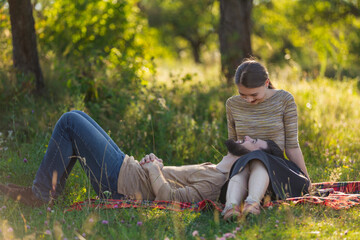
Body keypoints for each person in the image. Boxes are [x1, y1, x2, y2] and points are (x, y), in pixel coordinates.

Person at [0, 110, 281, 207]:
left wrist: (155, 169)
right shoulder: (213, 168)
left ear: (254, 155)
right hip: (127, 167)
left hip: (121, 181)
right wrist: (154, 166)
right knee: (78, 118)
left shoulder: (216, 183)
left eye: (252, 141)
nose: (245, 137)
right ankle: (43, 193)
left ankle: (41, 195)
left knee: (70, 121)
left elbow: (168, 199)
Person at [224, 59, 311, 219]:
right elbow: (234, 146)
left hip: (277, 172)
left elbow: (292, 147)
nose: (249, 100)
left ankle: (252, 203)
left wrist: (307, 181)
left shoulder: (284, 100)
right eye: (242, 94)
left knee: (259, 159)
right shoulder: (232, 104)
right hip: (245, 167)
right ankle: (231, 207)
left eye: (254, 94)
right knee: (245, 164)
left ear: (266, 83)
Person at [220, 137, 310, 221]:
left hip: (273, 185)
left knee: (257, 157)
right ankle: (231, 207)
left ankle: (252, 204)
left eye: (253, 141)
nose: (246, 137)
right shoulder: (242, 163)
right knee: (243, 165)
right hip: (251, 180)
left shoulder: (267, 160)